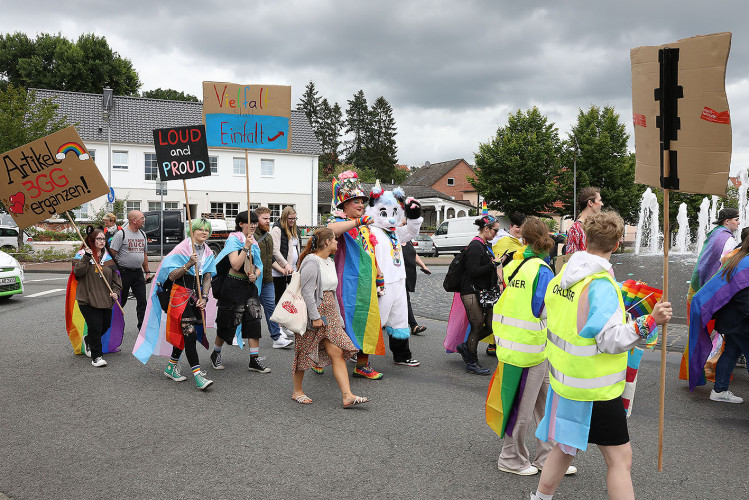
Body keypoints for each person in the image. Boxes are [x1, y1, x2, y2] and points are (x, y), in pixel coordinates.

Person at [532, 211, 672, 500]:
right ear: (618, 244)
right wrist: (650, 321)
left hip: (565, 380)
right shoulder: (601, 285)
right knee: (620, 460)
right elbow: (610, 340)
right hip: (595, 387)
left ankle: (540, 499)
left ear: (586, 237)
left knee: (565, 446)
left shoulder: (562, 277)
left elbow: (550, 315)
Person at [493, 217, 570, 476]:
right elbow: (546, 310)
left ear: (523, 239)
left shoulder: (515, 263)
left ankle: (547, 458)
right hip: (531, 347)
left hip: (519, 344)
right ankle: (511, 458)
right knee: (525, 409)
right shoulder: (542, 270)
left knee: (543, 404)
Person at [132, 219, 217, 391]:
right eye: (200, 229)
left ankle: (171, 367)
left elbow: (207, 276)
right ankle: (198, 375)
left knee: (184, 334)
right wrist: (188, 265)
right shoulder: (181, 249)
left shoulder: (208, 252)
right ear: (191, 231)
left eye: (207, 230)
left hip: (196, 296)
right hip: (178, 295)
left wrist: (205, 297)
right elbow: (170, 276)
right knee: (189, 332)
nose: (204, 232)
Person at [292, 227, 369, 408]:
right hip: (314, 315)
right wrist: (315, 316)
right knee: (304, 352)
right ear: (327, 242)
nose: (336, 242)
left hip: (330, 315)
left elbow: (332, 293)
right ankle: (297, 391)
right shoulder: (312, 262)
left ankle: (347, 396)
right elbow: (307, 293)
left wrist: (339, 319)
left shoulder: (329, 261)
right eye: (335, 239)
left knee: (338, 352)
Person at [328, 170, 385, 380]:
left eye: (362, 201)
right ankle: (322, 358)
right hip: (345, 284)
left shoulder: (365, 228)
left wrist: (379, 273)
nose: (360, 205)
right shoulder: (341, 223)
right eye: (355, 202)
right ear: (344, 205)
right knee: (342, 322)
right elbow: (330, 231)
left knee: (368, 321)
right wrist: (357, 222)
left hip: (366, 284)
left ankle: (362, 365)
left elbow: (370, 252)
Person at [687, 228, 749, 403]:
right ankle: (720, 390)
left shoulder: (738, 259)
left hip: (732, 321)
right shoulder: (746, 264)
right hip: (741, 323)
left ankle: (719, 390)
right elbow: (745, 300)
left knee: (730, 353)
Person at [680, 207, 740, 383]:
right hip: (711, 292)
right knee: (720, 332)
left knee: (698, 332)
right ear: (727, 221)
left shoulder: (714, 234)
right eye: (736, 219)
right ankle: (711, 370)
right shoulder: (727, 239)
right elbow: (726, 265)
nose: (738, 222)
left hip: (697, 287)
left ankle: (691, 371)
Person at [210, 211, 269, 374]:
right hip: (233, 285)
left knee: (254, 319)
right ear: (241, 223)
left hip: (249, 286)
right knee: (227, 321)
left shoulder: (254, 241)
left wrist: (254, 276)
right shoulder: (234, 239)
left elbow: (260, 266)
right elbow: (235, 264)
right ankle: (216, 353)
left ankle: (254, 359)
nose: (253, 225)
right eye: (250, 222)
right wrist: (245, 247)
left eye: (255, 223)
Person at [454, 215, 502, 375]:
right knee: (477, 324)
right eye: (495, 229)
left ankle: (466, 346)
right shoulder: (476, 246)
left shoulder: (484, 245)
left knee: (491, 324)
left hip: (480, 291)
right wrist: (492, 264)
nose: (496, 233)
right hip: (470, 290)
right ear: (486, 228)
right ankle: (471, 362)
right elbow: (473, 271)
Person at [72, 227, 122, 367]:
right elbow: (77, 272)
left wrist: (115, 292)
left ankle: (89, 340)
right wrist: (87, 258)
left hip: (105, 299)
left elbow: (116, 280)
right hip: (86, 298)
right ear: (92, 240)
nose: (101, 241)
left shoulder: (109, 258)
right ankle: (97, 356)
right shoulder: (81, 254)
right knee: (95, 326)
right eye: (98, 238)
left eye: (103, 238)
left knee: (105, 324)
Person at [255, 207, 293, 349]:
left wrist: (282, 269)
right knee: (245, 310)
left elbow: (270, 259)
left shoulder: (268, 236)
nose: (268, 221)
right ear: (256, 219)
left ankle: (276, 338)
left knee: (271, 308)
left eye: (269, 218)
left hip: (267, 280)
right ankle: (235, 334)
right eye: (264, 218)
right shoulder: (251, 237)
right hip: (253, 281)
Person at [488, 212, 525, 355]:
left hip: (515, 281)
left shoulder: (519, 242)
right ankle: (493, 344)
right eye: (517, 227)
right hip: (503, 282)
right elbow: (498, 263)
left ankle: (503, 342)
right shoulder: (503, 241)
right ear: (510, 226)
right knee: (500, 313)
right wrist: (500, 283)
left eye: (523, 227)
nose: (520, 230)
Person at [109, 210, 152, 331]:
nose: (144, 220)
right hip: (124, 273)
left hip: (138, 273)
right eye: (142, 218)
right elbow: (112, 255)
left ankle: (142, 328)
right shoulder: (120, 234)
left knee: (142, 301)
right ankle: (111, 327)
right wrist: (113, 274)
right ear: (134, 220)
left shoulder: (143, 234)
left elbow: (144, 254)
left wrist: (147, 272)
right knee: (120, 301)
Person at [271, 206, 302, 338]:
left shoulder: (295, 229)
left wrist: (298, 263)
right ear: (284, 217)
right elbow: (275, 251)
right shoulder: (277, 230)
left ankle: (286, 325)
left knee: (290, 298)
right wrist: (285, 264)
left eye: (295, 219)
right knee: (280, 298)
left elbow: (297, 248)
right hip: (281, 270)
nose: (293, 221)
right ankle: (278, 328)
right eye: (290, 219)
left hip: (293, 269)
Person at [403, 237, 430, 335]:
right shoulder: (394, 239)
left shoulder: (407, 239)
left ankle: (385, 322)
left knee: (403, 300)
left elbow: (414, 254)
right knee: (405, 299)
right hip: (398, 276)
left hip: (409, 276)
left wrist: (423, 265)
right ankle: (413, 325)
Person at [564, 187, 603, 254]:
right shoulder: (575, 229)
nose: (602, 204)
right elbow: (571, 259)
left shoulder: (597, 226)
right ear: (590, 203)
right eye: (599, 200)